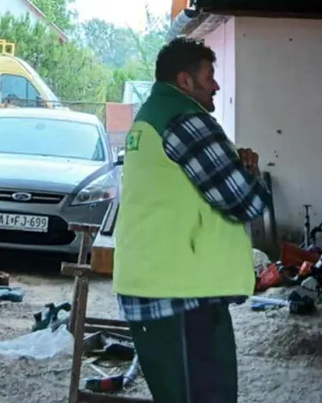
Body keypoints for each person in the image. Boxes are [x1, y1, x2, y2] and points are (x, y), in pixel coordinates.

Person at [113, 37, 269, 402]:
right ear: (185, 80)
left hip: (157, 287)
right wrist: (249, 170)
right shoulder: (185, 120)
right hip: (182, 297)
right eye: (209, 76)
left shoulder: (151, 115)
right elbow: (245, 202)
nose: (216, 86)